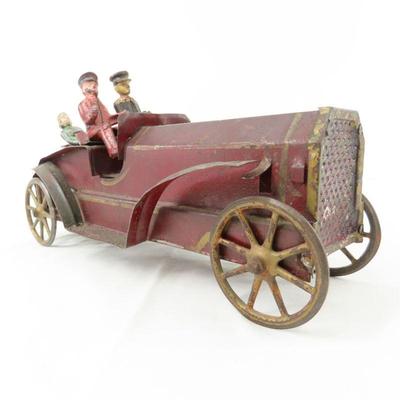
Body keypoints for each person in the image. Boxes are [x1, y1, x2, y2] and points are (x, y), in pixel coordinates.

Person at [78, 72, 119, 158]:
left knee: (119, 129)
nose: (93, 88)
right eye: (89, 86)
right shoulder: (82, 104)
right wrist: (93, 109)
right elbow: (88, 121)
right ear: (83, 89)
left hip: (104, 127)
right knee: (104, 128)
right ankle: (115, 152)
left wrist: (120, 116)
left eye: (94, 85)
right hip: (93, 131)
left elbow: (108, 119)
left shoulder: (99, 103)